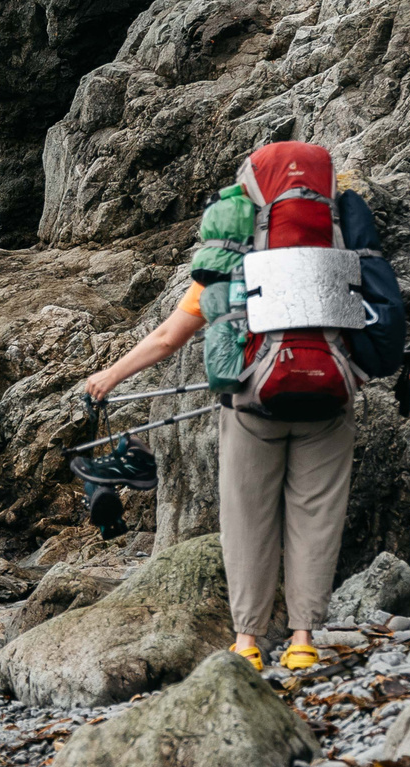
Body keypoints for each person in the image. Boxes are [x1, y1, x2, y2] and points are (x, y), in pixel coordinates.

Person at [76, 273, 356, 675]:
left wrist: (110, 376)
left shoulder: (227, 262)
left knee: (246, 520)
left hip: (253, 401)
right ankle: (303, 643)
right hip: (327, 394)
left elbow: (168, 337)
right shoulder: (328, 247)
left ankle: (247, 645)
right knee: (315, 518)